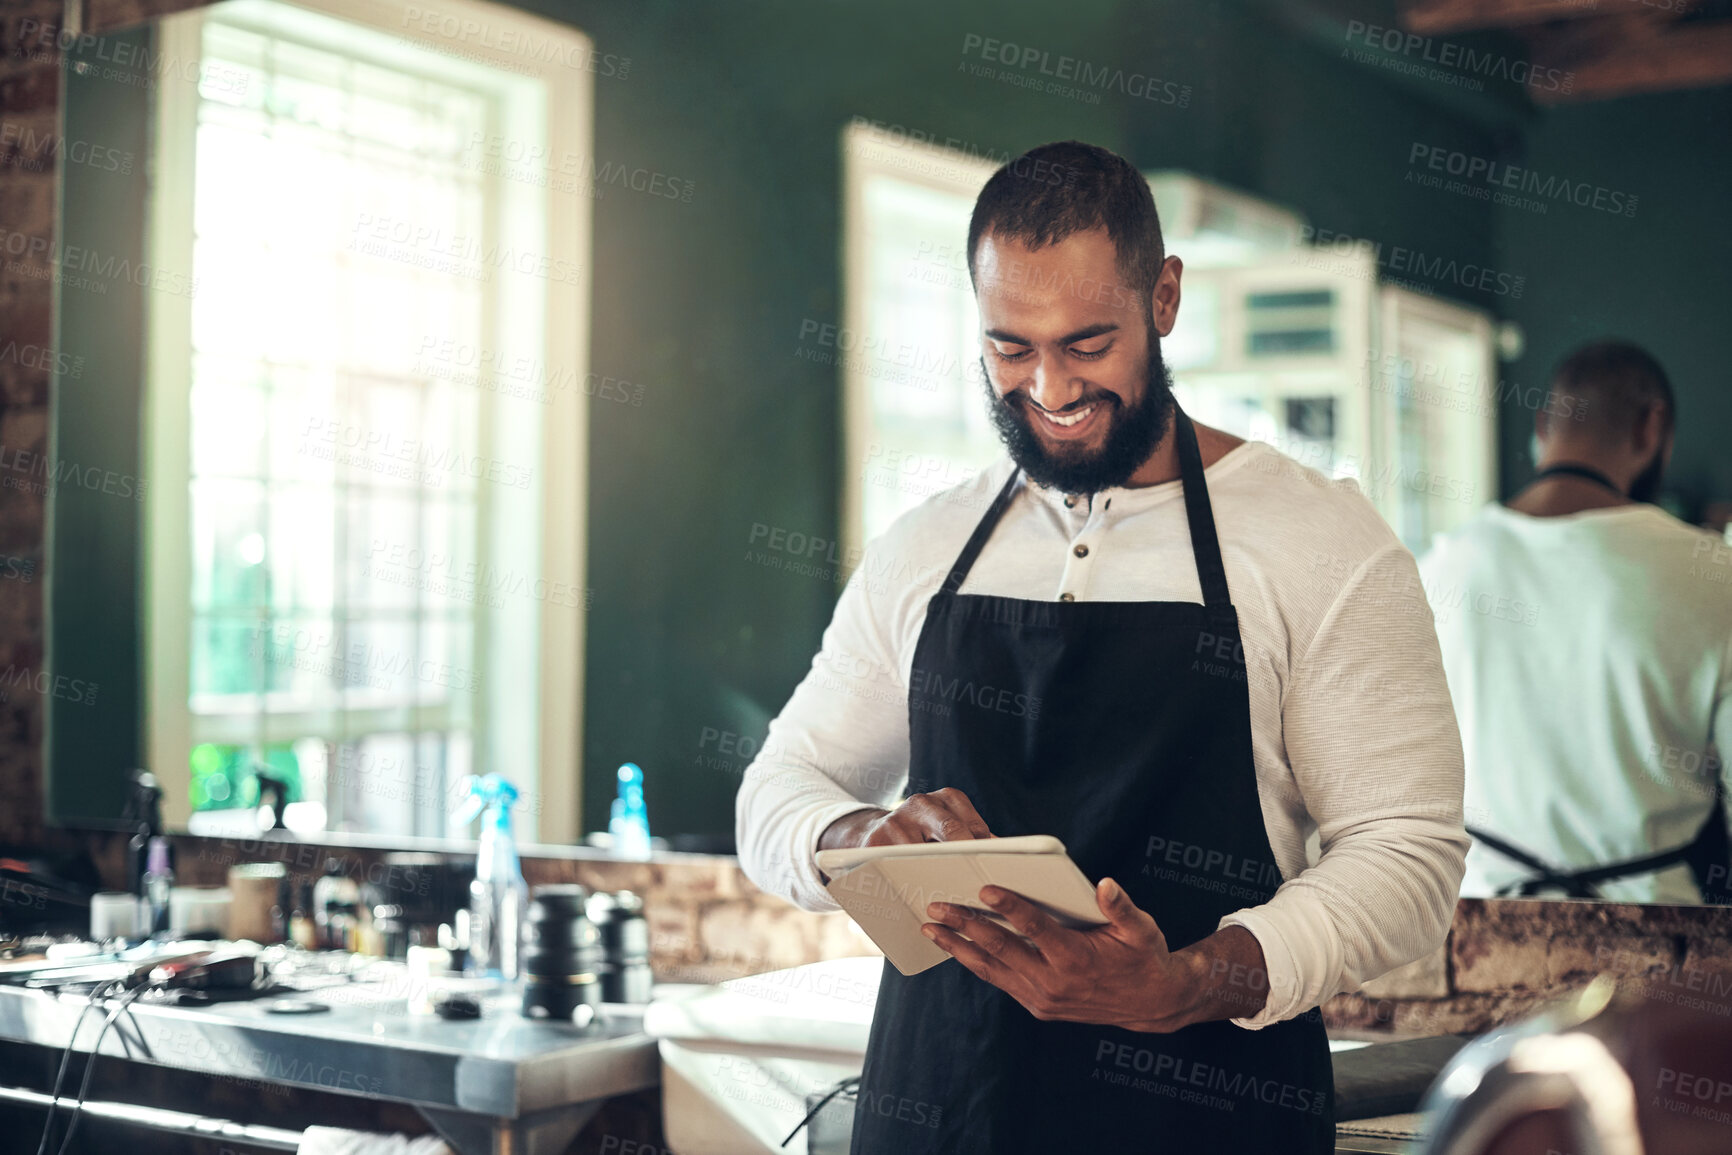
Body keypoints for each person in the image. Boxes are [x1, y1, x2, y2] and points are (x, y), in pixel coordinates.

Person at [735, 140, 1468, 1153]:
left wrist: (1188, 982)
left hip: (1208, 1115)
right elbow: (778, 784)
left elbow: (1409, 856)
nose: (1048, 389)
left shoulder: (1320, 544)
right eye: (1008, 348)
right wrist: (851, 838)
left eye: (1086, 343)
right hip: (942, 1112)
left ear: (1163, 298)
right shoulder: (927, 547)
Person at [1420, 340, 1732, 904]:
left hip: (1479, 939)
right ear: (1651, 426)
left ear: (1543, 424)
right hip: (1658, 948)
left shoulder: (1439, 567)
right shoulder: (1713, 572)